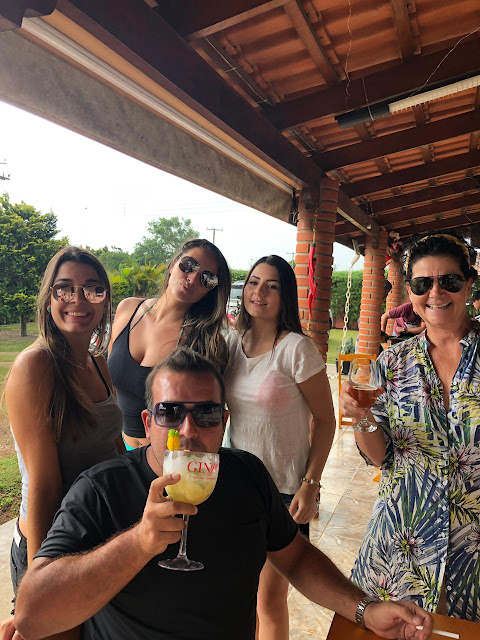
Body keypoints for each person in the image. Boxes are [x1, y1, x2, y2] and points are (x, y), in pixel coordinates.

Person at [14, 348, 434, 640]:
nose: (189, 430)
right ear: (147, 421)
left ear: (225, 421)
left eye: (207, 413)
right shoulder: (101, 489)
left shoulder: (246, 475)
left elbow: (296, 558)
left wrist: (364, 609)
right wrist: (138, 543)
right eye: (170, 412)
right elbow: (33, 615)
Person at [339, 231, 480, 621]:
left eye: (449, 280)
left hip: (473, 546)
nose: (436, 293)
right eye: (422, 284)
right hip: (401, 541)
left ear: (468, 284)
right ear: (411, 292)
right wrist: (362, 418)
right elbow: (379, 456)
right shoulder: (392, 363)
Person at [1, 246, 123, 639]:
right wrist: (41, 581)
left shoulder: (98, 363)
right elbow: (44, 483)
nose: (78, 300)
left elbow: (114, 449)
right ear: (49, 297)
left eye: (92, 289)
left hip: (100, 536)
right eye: (65, 288)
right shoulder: (35, 366)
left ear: (105, 299)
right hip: (54, 541)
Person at [224, 255, 335, 640]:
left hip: (285, 494)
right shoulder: (232, 343)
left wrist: (310, 484)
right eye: (254, 282)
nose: (260, 292)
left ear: (285, 295)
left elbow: (326, 420)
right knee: (242, 597)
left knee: (269, 601)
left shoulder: (296, 349)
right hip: (238, 488)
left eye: (272, 286)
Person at [108, 238, 230, 450]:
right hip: (120, 448)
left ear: (211, 289)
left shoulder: (205, 342)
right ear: (174, 264)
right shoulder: (128, 310)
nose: (193, 278)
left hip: (169, 457)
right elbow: (111, 386)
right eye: (189, 265)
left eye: (207, 278)